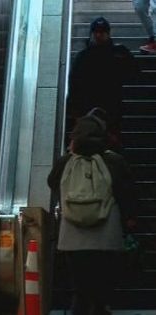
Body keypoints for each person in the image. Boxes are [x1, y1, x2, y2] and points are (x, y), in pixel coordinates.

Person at [48, 114, 136, 315]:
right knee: (102, 285)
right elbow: (127, 192)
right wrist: (129, 219)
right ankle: (100, 309)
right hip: (106, 234)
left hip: (72, 235)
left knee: (79, 286)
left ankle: (79, 309)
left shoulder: (65, 162)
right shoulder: (114, 161)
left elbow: (52, 182)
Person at [67, 17, 138, 150]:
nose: (99, 35)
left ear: (108, 33)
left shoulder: (118, 53)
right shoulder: (83, 56)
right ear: (92, 34)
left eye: (102, 32)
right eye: (96, 32)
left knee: (108, 143)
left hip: (111, 107)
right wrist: (75, 111)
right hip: (88, 107)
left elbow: (133, 73)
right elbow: (74, 83)